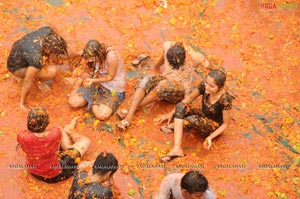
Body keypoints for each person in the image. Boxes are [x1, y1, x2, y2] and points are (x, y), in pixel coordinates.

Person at [116, 41, 209, 130]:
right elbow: (162, 59)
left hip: (180, 90)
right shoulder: (167, 45)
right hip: (166, 78)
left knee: (163, 85)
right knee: (146, 79)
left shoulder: (196, 57)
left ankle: (129, 112)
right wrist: (156, 67)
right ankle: (129, 116)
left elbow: (211, 67)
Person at [159, 69, 232, 162]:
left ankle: (178, 125)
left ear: (220, 87)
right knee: (180, 106)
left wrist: (210, 137)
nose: (207, 87)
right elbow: (190, 98)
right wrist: (172, 113)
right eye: (206, 83)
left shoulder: (225, 100)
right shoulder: (204, 86)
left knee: (191, 120)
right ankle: (177, 148)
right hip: (204, 114)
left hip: (214, 125)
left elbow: (226, 124)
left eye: (211, 86)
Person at [17, 107, 91, 183]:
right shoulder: (55, 133)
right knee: (86, 141)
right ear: (46, 122)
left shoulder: (22, 136)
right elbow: (57, 140)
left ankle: (68, 144)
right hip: (55, 175)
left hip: (34, 172)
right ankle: (70, 133)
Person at [7, 26, 69, 111]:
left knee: (48, 62)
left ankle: (38, 74)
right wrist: (23, 103)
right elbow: (27, 81)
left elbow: (53, 29)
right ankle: (39, 81)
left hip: (20, 50)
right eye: (56, 54)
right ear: (48, 50)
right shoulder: (36, 58)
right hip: (16, 67)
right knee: (52, 71)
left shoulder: (47, 32)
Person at [68, 40, 126, 120]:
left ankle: (93, 101)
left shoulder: (112, 57)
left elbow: (110, 77)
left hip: (113, 90)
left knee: (102, 115)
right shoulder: (93, 54)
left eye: (91, 58)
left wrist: (93, 80)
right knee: (73, 102)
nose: (89, 60)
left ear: (98, 54)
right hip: (98, 84)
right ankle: (80, 87)